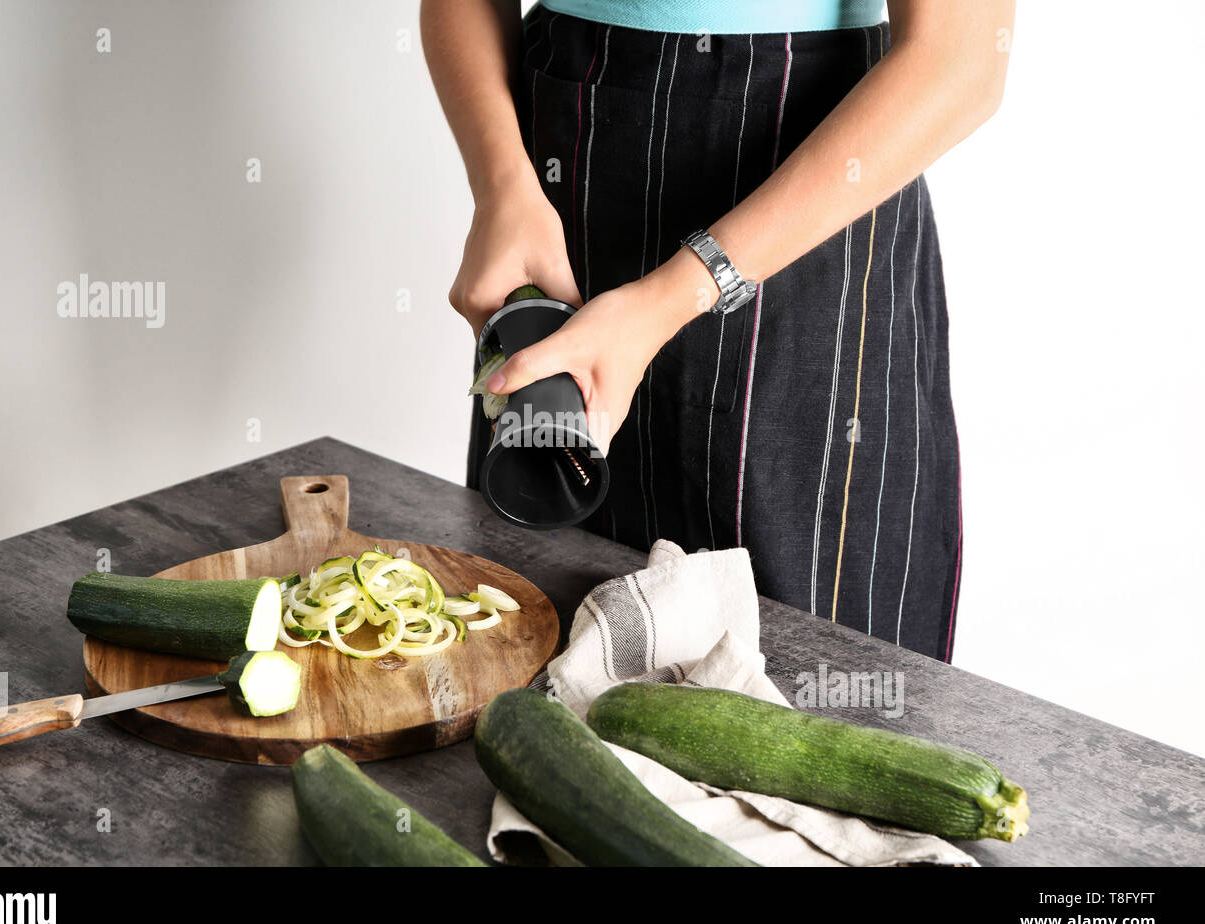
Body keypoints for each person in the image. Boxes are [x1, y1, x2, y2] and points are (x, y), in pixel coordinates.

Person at [422, 0, 1014, 663]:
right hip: (569, 174)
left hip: (810, 203)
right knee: (527, 650)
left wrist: (670, 298)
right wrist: (502, 184)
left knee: (815, 695)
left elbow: (962, 60)